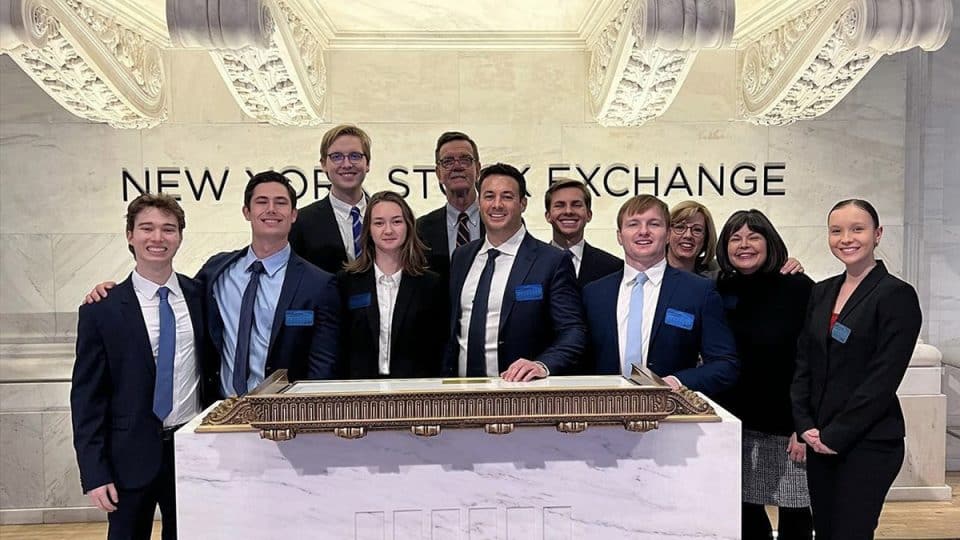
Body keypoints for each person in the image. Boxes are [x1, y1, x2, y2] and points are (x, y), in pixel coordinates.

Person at [87, 172, 340, 398]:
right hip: (221, 414)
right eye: (261, 202)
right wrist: (115, 292)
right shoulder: (217, 271)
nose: (271, 209)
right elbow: (168, 288)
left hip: (287, 420)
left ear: (293, 214)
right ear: (246, 212)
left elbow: (323, 368)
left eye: (281, 203)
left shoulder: (319, 284)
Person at [72, 194, 203, 539]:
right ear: (130, 235)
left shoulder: (201, 295)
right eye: (147, 228)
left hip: (191, 452)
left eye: (168, 229)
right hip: (127, 458)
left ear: (180, 236)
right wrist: (94, 472)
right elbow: (87, 399)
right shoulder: (102, 309)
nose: (157, 238)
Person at [791, 199, 921, 540]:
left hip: (868, 442)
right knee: (826, 532)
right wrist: (805, 424)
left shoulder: (896, 295)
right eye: (836, 231)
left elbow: (883, 378)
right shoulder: (821, 292)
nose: (846, 238)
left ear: (877, 235)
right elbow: (805, 362)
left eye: (857, 229)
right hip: (819, 441)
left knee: (851, 533)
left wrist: (836, 435)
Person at [714, 209, 814, 540]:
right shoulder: (718, 287)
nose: (744, 245)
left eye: (753, 236)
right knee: (743, 511)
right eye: (735, 238)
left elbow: (815, 359)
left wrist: (804, 423)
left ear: (769, 242)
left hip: (787, 426)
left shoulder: (798, 287)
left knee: (796, 512)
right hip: (735, 424)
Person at [582, 195, 738, 397]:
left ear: (667, 235)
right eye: (633, 224)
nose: (643, 231)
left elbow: (725, 365)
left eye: (653, 224)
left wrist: (677, 382)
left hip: (673, 416)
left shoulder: (699, 291)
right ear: (620, 236)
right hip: (604, 417)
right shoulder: (594, 293)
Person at [443, 163, 586, 381]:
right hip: (462, 395)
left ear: (523, 203)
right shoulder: (462, 257)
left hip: (521, 397)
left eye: (507, 197)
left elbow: (573, 331)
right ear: (479, 203)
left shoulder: (552, 261)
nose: (497, 205)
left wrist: (542, 365)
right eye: (489, 196)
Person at [337, 191, 447, 378]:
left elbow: (440, 346)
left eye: (396, 221)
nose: (388, 230)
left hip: (415, 393)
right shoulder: (346, 282)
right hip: (358, 393)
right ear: (368, 230)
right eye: (379, 223)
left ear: (408, 226)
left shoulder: (431, 285)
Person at [290, 124, 372, 274]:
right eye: (336, 157)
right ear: (323, 165)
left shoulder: (389, 217)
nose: (346, 164)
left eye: (355, 156)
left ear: (367, 164)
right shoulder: (301, 223)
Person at [668, 200, 803, 278]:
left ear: (706, 238)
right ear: (667, 233)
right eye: (679, 227)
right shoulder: (649, 271)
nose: (688, 235)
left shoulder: (718, 275)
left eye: (697, 230)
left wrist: (787, 264)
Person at [416, 131, 484, 282]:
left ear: (478, 169)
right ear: (438, 173)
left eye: (465, 159)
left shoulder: (498, 221)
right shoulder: (421, 229)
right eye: (448, 161)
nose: (457, 166)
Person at [544, 178, 622, 286]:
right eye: (560, 205)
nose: (568, 211)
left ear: (589, 215)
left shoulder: (614, 267)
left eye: (576, 205)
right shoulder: (532, 265)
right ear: (548, 216)